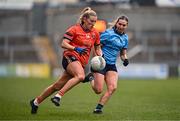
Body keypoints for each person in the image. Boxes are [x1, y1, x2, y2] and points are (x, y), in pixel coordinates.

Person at [30, 7, 102, 114]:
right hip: (70, 56)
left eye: (95, 22)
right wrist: (75, 48)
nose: (93, 24)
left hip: (80, 62)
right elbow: (63, 44)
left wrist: (100, 56)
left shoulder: (95, 33)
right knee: (80, 76)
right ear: (84, 19)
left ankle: (36, 102)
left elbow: (97, 47)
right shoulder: (74, 29)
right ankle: (58, 96)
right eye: (91, 21)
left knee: (57, 85)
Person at [84, 15, 129, 114]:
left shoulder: (125, 38)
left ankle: (98, 108)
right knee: (98, 90)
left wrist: (125, 59)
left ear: (126, 26)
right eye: (119, 24)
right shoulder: (108, 33)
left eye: (123, 25)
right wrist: (98, 58)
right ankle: (91, 78)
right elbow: (97, 46)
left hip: (111, 65)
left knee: (112, 87)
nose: (121, 26)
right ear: (116, 23)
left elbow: (122, 53)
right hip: (101, 63)